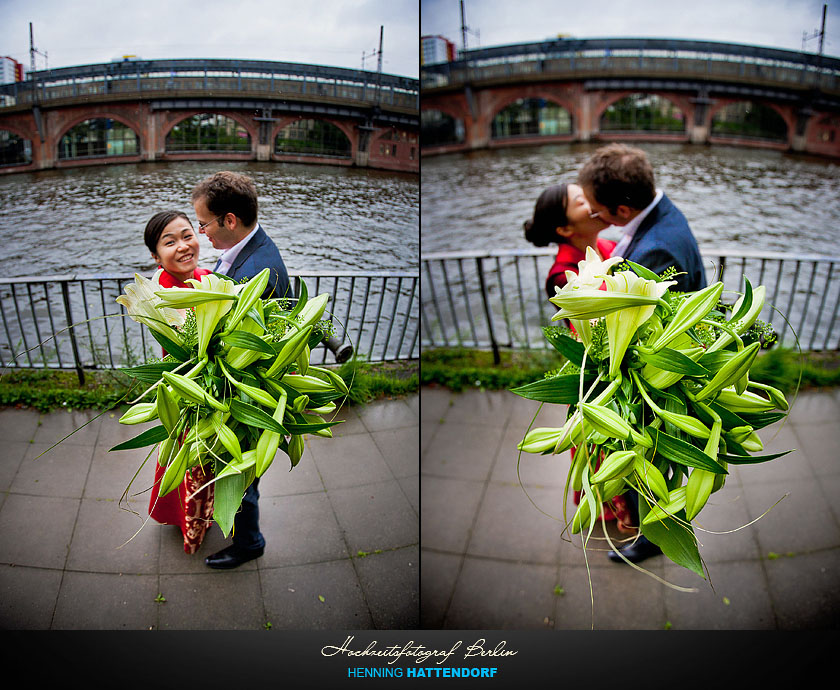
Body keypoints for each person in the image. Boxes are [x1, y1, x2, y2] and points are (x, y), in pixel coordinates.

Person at [578, 143, 706, 564]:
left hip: (657, 382)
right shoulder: (663, 215)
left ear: (620, 210)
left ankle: (654, 537)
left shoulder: (656, 251)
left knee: (651, 464)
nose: (596, 220)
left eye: (597, 212)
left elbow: (636, 334)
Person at [191, 170, 291, 569]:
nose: (201, 233)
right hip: (244, 389)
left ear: (229, 220)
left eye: (203, 223)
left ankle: (249, 542)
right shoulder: (250, 250)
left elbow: (234, 346)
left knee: (241, 478)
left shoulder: (255, 273)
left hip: (244, 396)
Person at [524, 182, 635, 534]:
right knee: (604, 443)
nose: (592, 200)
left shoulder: (607, 246)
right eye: (580, 200)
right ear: (565, 229)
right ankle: (619, 514)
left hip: (620, 360)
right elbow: (593, 324)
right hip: (598, 371)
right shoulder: (561, 274)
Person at [143, 210, 214, 555]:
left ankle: (195, 518)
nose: (184, 246)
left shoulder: (205, 276)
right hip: (187, 394)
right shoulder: (162, 293)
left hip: (202, 389)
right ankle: (191, 526)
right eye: (170, 242)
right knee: (189, 464)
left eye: (188, 235)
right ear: (156, 257)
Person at [579, 143, 706, 293]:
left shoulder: (657, 252)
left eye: (596, 211)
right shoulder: (665, 211)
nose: (595, 216)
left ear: (623, 211)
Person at [524, 181, 617, 299]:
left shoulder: (612, 246)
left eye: (589, 195)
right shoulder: (563, 277)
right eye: (582, 202)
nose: (595, 202)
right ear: (565, 229)